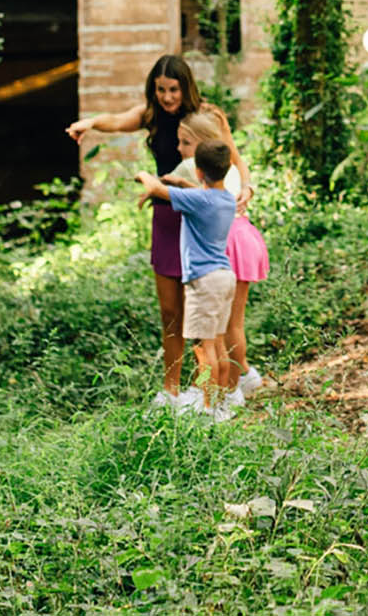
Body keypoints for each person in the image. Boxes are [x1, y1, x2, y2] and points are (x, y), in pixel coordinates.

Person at [66, 55, 252, 407]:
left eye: (174, 90)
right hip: (166, 213)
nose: (167, 97)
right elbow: (118, 121)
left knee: (205, 308)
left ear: (186, 88)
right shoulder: (151, 115)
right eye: (161, 90)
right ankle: (171, 389)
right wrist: (88, 122)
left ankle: (217, 389)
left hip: (199, 217)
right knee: (171, 311)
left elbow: (235, 157)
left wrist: (247, 186)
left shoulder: (205, 117)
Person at [173, 109, 270, 403]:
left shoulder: (197, 171)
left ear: (202, 144)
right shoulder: (227, 167)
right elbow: (239, 161)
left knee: (215, 334)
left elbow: (191, 196)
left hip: (231, 244)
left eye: (186, 143)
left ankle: (225, 390)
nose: (181, 150)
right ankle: (237, 383)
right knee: (229, 327)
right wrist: (225, 131)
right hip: (244, 238)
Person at [137, 138, 239, 416]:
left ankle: (207, 410)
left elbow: (156, 189)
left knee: (203, 350)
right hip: (225, 277)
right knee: (218, 344)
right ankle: (221, 406)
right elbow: (200, 192)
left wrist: (143, 175)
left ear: (197, 171)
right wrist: (182, 183)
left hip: (203, 282)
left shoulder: (198, 200)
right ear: (228, 168)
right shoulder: (226, 199)